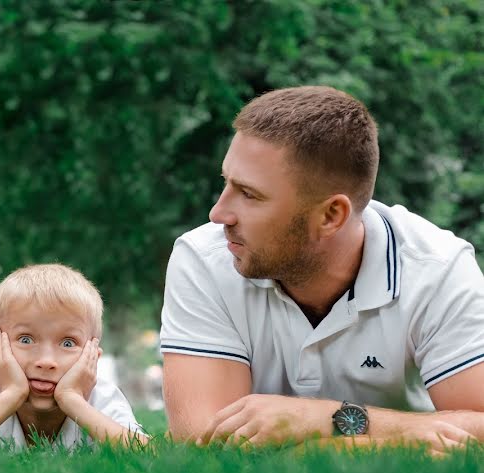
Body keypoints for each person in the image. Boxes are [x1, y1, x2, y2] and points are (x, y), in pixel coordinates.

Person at [160, 86, 484, 452]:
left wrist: (329, 420)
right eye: (226, 184)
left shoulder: (437, 271)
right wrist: (392, 439)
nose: (219, 214)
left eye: (249, 194)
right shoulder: (204, 259)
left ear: (332, 215)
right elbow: (205, 443)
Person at [0, 264, 148, 452]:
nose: (46, 361)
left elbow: (146, 455)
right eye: (26, 339)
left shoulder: (101, 397)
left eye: (68, 343)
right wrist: (10, 396)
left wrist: (72, 399)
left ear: (92, 358)